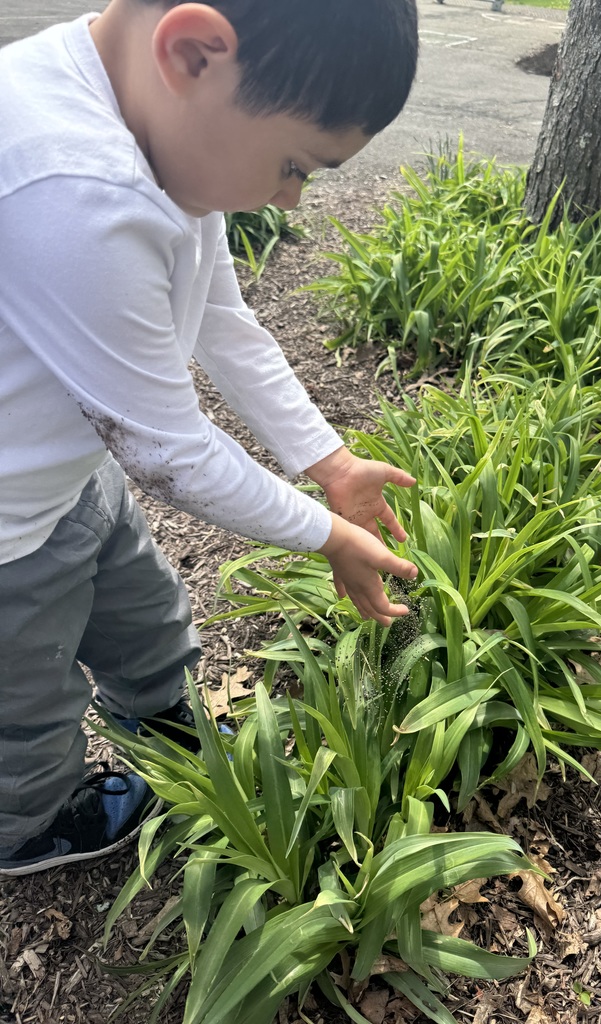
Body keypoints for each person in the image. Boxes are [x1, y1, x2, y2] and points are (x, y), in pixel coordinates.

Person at [0, 0, 420, 876]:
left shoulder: (153, 117)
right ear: (194, 52)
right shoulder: (75, 190)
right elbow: (170, 451)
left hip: (65, 470)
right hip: (4, 531)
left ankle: (161, 716)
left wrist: (330, 463)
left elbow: (221, 319)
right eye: (295, 163)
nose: (290, 196)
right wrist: (324, 533)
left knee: (143, 617)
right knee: (21, 697)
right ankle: (33, 824)